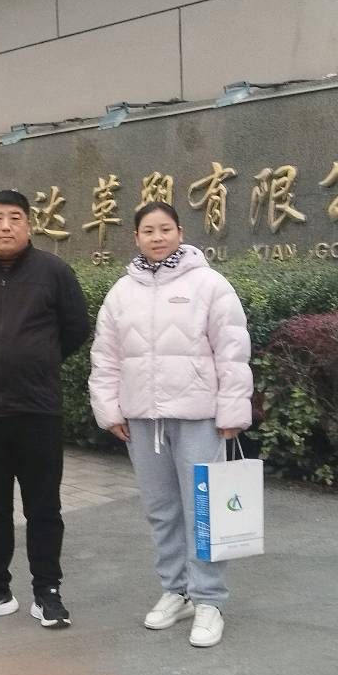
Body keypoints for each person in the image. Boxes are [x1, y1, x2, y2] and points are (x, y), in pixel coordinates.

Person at [88, 201, 253, 648]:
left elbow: (232, 350)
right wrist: (110, 409)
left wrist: (232, 411)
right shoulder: (122, 292)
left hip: (199, 417)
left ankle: (209, 600)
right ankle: (176, 591)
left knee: (205, 510)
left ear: (180, 231)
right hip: (143, 420)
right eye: (148, 230)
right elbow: (106, 356)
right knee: (160, 509)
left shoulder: (209, 284)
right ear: (136, 237)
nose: (157, 237)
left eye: (165, 229)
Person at [0, 190, 90, 628]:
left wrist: (38, 358)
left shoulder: (54, 272)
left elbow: (76, 328)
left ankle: (47, 592)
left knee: (43, 508)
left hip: (37, 411)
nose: (6, 226)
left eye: (15, 218)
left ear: (29, 224)